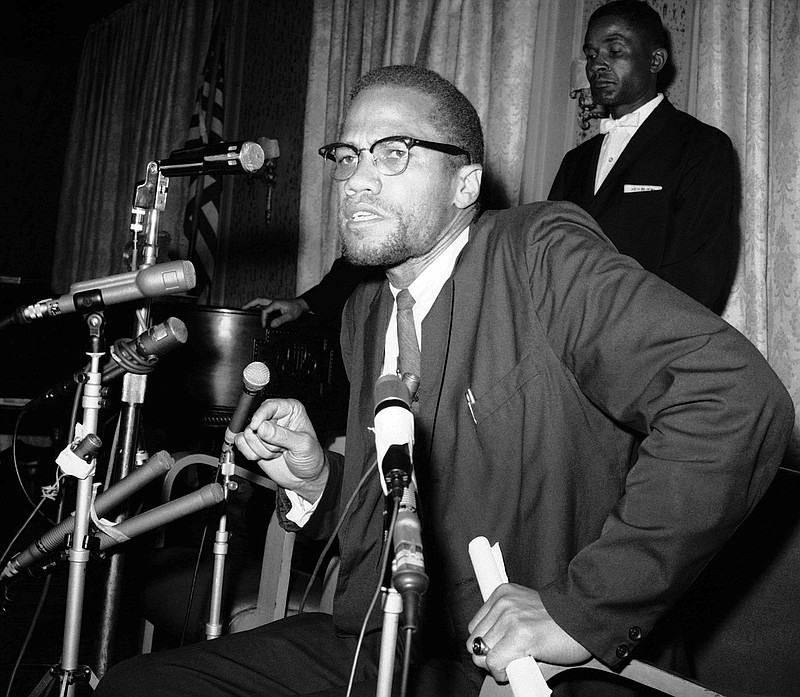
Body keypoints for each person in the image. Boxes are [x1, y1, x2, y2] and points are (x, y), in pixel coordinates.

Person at [96, 64, 792, 697]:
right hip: (382, 648)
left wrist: (580, 609)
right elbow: (404, 512)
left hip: (538, 670)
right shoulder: (366, 312)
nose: (357, 180)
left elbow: (732, 396)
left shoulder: (539, 253)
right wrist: (317, 481)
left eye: (393, 152)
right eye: (347, 156)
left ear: (466, 183)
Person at [548, 0, 738, 314]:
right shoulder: (575, 161)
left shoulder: (702, 146)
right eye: (591, 54)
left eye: (615, 51)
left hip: (647, 349)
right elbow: (549, 257)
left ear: (655, 60)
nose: (597, 65)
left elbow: (697, 280)